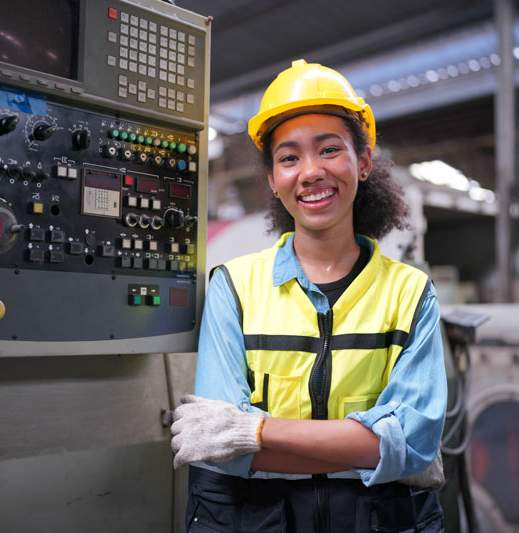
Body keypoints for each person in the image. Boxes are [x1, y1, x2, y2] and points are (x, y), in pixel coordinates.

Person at [171, 59, 447, 533]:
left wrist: (254, 431)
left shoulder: (411, 292)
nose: (311, 171)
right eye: (289, 157)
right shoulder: (233, 287)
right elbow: (217, 452)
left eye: (329, 150)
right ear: (273, 179)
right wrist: (370, 447)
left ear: (362, 162)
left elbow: (412, 444)